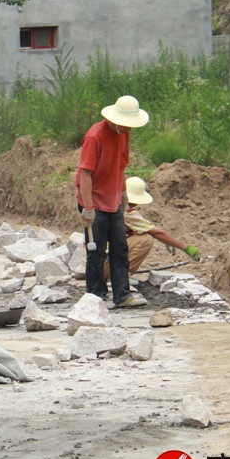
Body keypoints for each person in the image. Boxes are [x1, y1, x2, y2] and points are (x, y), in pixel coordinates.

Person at [76, 95, 149, 309]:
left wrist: (123, 193)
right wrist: (88, 208)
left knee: (120, 247)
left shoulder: (123, 134)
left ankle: (122, 295)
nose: (129, 129)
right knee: (96, 250)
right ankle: (95, 298)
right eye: (126, 125)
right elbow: (85, 174)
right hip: (95, 201)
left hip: (113, 198)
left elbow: (120, 165)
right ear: (114, 119)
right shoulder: (94, 137)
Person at [104, 176, 201, 277]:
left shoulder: (111, 203)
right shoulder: (127, 213)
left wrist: (168, 240)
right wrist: (184, 247)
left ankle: (114, 274)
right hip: (103, 264)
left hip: (95, 260)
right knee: (146, 239)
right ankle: (119, 276)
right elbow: (156, 233)